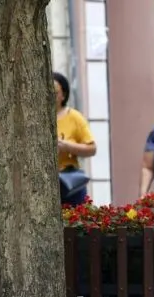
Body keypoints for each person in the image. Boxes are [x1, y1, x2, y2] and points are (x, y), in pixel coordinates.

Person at [54, 72, 97, 206]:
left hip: (69, 180)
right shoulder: (35, 119)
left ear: (63, 94)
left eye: (54, 93)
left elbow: (91, 148)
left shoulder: (74, 117)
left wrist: (67, 146)